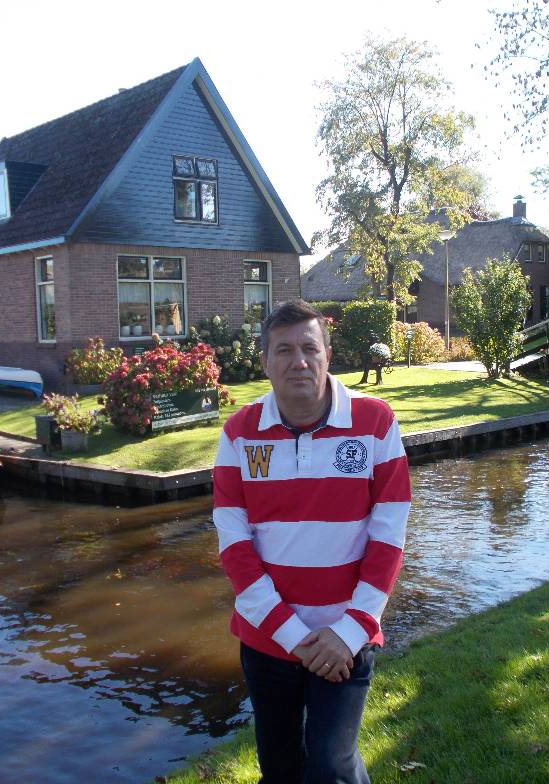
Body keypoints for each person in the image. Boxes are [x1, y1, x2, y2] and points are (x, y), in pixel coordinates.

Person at [212, 299, 412, 783]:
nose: (298, 361)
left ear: (328, 354)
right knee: (280, 769)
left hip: (346, 637)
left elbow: (389, 537)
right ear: (265, 362)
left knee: (331, 764)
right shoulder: (239, 434)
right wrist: (293, 637)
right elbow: (235, 548)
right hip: (268, 639)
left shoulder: (375, 422)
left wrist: (350, 631)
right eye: (284, 350)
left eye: (309, 348)